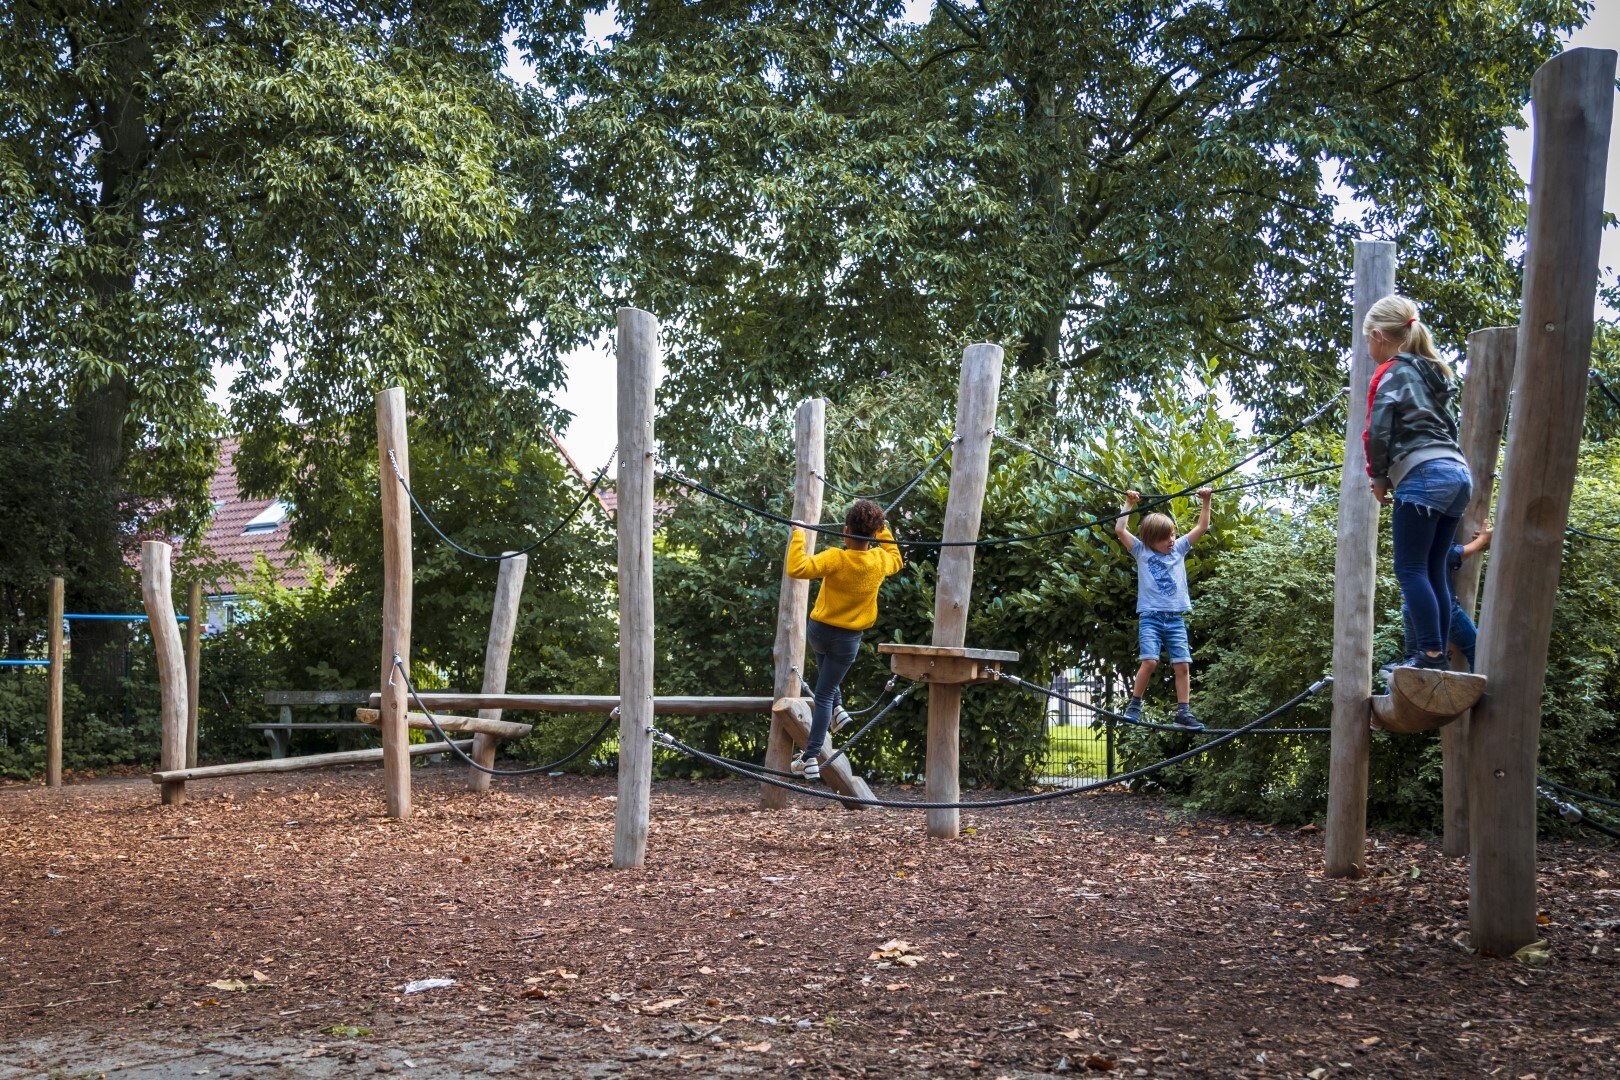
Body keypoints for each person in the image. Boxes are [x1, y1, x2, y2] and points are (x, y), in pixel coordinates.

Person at [1362, 294, 1472, 671]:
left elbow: (1377, 430)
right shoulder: (1437, 371)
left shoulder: (1392, 370)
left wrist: (1377, 475)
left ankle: (1428, 654)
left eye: (1368, 342)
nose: (1369, 350)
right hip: (1458, 473)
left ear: (1378, 336)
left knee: (1410, 568)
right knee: (1434, 568)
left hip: (1424, 475)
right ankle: (1435, 655)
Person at [784, 499, 904, 780]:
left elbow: (797, 568)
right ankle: (830, 724)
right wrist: (883, 531)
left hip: (820, 631)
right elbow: (896, 558)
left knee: (824, 690)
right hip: (848, 640)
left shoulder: (835, 557)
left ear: (846, 530)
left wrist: (799, 534)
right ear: (873, 534)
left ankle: (810, 753)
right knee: (827, 690)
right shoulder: (879, 561)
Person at [1115, 487, 1214, 730]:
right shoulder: (1140, 551)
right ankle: (1135, 705)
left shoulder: (1179, 548)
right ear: (1151, 541)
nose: (1171, 540)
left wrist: (1207, 501)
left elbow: (1201, 527)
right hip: (1150, 617)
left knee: (1182, 664)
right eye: (1165, 538)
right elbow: (1119, 529)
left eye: (1172, 534)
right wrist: (1129, 503)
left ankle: (1183, 712)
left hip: (1175, 618)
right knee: (1149, 661)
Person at [1389, 525, 1492, 673]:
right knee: (1477, 650)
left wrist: (1483, 541)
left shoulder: (1413, 524)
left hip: (1411, 604)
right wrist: (1482, 539)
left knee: (1414, 661)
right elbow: (1451, 556)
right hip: (1439, 605)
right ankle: (1480, 695)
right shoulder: (1438, 518)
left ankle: (1395, 694)